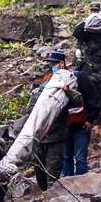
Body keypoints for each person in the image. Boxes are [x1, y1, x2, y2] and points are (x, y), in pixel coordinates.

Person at [27, 51, 81, 190]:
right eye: (37, 78)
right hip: (39, 139)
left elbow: (77, 100)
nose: (39, 80)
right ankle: (45, 197)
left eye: (41, 77)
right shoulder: (35, 93)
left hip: (56, 138)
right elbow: (30, 114)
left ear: (49, 76)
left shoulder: (61, 90)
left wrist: (66, 90)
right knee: (39, 172)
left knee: (53, 174)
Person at [63, 65, 98, 177]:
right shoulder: (55, 80)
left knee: (80, 157)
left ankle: (82, 184)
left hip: (81, 124)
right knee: (66, 156)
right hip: (65, 125)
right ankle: (67, 183)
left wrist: (90, 119)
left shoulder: (80, 77)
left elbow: (93, 99)